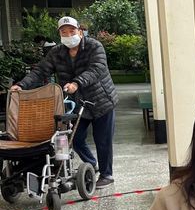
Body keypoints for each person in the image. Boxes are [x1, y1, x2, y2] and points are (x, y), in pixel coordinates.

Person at [11, 16, 119, 188]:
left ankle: (107, 175)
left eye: (72, 31)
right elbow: (40, 71)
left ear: (80, 32)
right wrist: (21, 85)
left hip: (101, 101)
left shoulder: (94, 46)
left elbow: (96, 69)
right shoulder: (56, 52)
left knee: (103, 140)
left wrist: (77, 82)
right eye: (64, 32)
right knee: (74, 139)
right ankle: (92, 164)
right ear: (59, 34)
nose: (68, 35)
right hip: (76, 103)